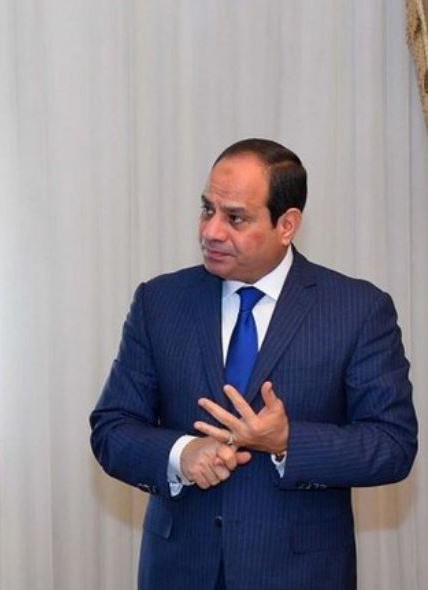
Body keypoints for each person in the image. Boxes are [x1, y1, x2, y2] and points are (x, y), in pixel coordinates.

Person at [90, 138, 418, 590]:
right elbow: (112, 428)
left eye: (235, 218)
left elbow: (393, 445)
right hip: (180, 570)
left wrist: (287, 441)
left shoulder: (357, 309)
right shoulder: (159, 302)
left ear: (287, 225)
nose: (211, 231)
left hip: (301, 575)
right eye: (207, 210)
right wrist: (181, 455)